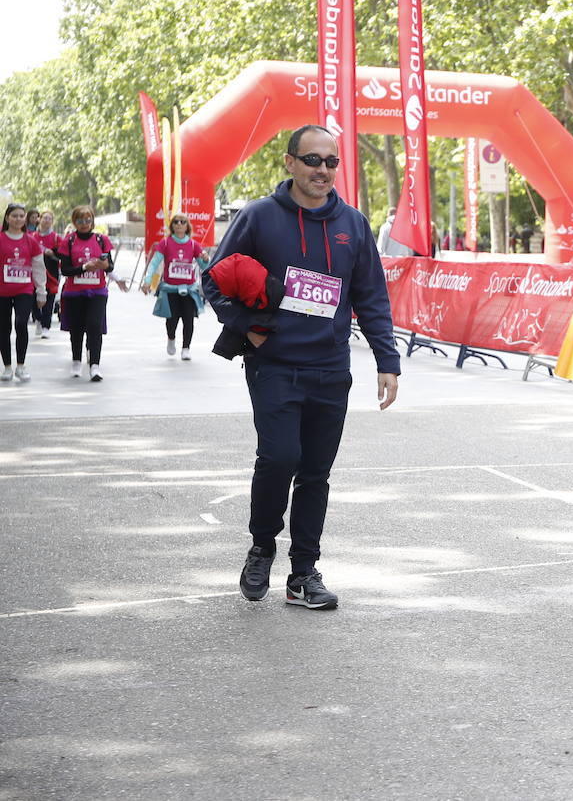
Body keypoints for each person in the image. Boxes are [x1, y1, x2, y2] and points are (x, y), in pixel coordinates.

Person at [203, 124, 401, 611]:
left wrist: (387, 360)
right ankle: (262, 546)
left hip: (331, 369)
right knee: (278, 458)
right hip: (274, 365)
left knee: (315, 473)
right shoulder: (258, 217)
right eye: (313, 160)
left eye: (331, 162)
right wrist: (246, 326)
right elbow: (215, 280)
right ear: (289, 162)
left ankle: (303, 573)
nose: (323, 170)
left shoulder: (353, 225)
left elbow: (372, 297)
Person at [56, 205, 115, 381]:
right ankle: (76, 361)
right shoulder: (69, 241)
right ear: (74, 222)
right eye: (80, 221)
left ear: (92, 221)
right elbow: (65, 270)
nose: (84, 224)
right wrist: (83, 267)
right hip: (74, 292)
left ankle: (95, 366)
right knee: (76, 328)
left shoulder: (101, 239)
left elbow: (110, 265)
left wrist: (105, 266)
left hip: (97, 291)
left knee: (94, 325)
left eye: (88, 220)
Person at [140, 214, 209, 360]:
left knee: (188, 319)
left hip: (189, 289)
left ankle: (186, 348)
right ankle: (171, 338)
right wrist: (147, 280)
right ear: (172, 226)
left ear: (187, 226)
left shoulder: (193, 245)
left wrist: (205, 259)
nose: (179, 224)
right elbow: (154, 263)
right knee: (172, 320)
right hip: (170, 289)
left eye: (182, 222)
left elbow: (204, 266)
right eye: (176, 222)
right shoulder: (165, 243)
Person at [1, 204, 47, 382]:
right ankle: (7, 367)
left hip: (24, 290)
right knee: (3, 328)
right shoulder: (1, 238)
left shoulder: (31, 241)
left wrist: (41, 291)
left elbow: (38, 267)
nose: (18, 219)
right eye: (14, 216)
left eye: (21, 216)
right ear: (7, 218)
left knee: (21, 324)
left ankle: (21, 366)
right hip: (2, 291)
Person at [31, 211, 59, 338]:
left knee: (49, 300)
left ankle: (46, 326)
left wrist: (51, 253)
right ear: (39, 219)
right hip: (34, 274)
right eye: (45, 218)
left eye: (49, 218)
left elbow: (62, 254)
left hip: (51, 274)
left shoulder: (56, 237)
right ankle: (38, 318)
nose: (47, 220)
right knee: (33, 299)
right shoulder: (32, 237)